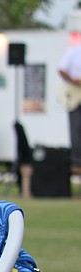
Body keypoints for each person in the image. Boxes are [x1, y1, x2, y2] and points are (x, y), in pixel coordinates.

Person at [58, 42, 81, 175]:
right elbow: (61, 69)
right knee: (76, 127)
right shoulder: (74, 51)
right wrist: (74, 81)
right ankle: (77, 159)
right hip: (74, 94)